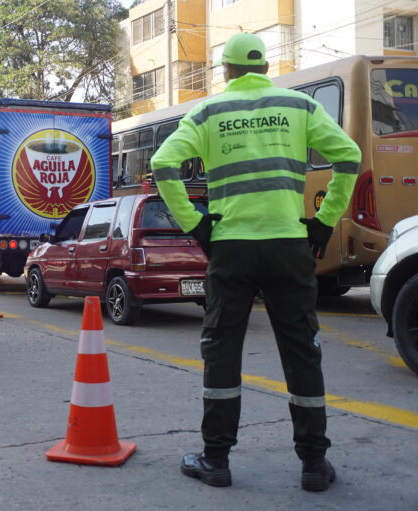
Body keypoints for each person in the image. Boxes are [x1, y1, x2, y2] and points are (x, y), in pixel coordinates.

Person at [150, 33, 361, 491]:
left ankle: (216, 459)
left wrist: (196, 224)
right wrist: (324, 220)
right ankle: (313, 465)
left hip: (231, 248)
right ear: (265, 67)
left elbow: (163, 165)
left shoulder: (208, 112)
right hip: (289, 245)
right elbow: (349, 155)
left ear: (226, 70)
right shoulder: (299, 107)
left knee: (222, 351)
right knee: (302, 352)